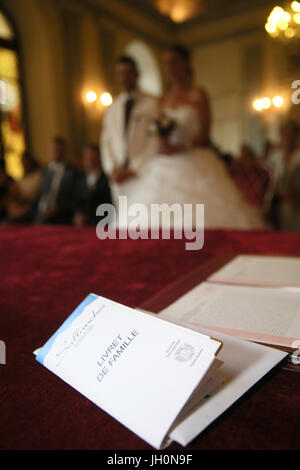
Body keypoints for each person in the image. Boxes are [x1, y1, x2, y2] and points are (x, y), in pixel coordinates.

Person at [117, 44, 266, 229]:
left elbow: (204, 134)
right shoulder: (162, 100)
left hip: (195, 158)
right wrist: (163, 143)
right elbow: (156, 131)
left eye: (174, 62)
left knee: (206, 214)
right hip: (165, 161)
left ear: (186, 64)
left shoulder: (198, 94)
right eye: (166, 63)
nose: (169, 68)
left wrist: (180, 147)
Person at [100, 55, 158, 204]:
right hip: (118, 177)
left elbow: (154, 140)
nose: (124, 77)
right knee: (124, 221)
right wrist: (112, 169)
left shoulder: (152, 104)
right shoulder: (112, 108)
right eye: (120, 73)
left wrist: (134, 170)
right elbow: (106, 141)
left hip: (143, 172)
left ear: (136, 74)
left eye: (127, 73)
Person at [35, 136, 78, 224]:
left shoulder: (73, 172)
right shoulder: (46, 170)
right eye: (53, 150)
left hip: (62, 213)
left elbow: (74, 198)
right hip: (42, 211)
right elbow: (41, 193)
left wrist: (55, 210)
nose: (56, 152)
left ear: (64, 151)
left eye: (59, 150)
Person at [267, 120, 300, 230]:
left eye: (292, 134)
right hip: (274, 197)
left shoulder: (298, 156)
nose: (288, 138)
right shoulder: (274, 156)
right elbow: (268, 178)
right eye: (286, 134)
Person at [73, 144, 112, 226]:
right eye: (86, 156)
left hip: (102, 224)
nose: (89, 159)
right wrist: (78, 214)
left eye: (92, 156)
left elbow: (108, 205)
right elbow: (76, 201)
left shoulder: (108, 178)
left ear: (99, 158)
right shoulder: (79, 178)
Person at [6, 151, 42, 222]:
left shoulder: (38, 176)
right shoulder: (20, 179)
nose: (23, 164)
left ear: (30, 162)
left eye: (25, 162)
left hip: (32, 205)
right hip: (20, 205)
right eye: (22, 162)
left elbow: (37, 195)